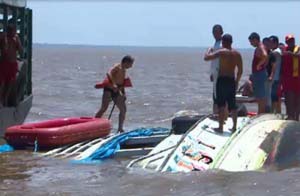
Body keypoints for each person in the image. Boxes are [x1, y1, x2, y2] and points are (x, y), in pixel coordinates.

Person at [204, 34, 243, 133]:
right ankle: (234, 127)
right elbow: (240, 70)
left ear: (224, 42)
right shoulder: (237, 54)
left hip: (222, 80)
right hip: (231, 80)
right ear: (232, 42)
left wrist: (209, 50)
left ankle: (220, 127)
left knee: (221, 104)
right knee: (232, 105)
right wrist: (237, 81)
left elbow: (206, 58)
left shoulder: (221, 52)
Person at [95, 55, 134, 133]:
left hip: (117, 91)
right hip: (109, 90)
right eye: (131, 64)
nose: (131, 66)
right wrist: (113, 84)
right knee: (104, 108)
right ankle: (94, 124)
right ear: (126, 62)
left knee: (123, 109)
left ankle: (120, 128)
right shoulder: (117, 66)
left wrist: (123, 94)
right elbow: (109, 73)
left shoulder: (124, 70)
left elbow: (121, 83)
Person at [0, 24, 23, 106]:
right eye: (10, 31)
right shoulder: (3, 37)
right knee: (2, 82)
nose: (12, 33)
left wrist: (17, 41)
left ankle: (5, 99)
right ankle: (1, 100)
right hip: (4, 63)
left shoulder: (16, 38)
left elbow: (20, 50)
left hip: (12, 64)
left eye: (13, 31)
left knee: (10, 82)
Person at [281, 34, 300, 120]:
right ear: (286, 42)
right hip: (287, 79)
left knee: (297, 99)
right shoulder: (283, 50)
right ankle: (290, 116)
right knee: (288, 99)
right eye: (289, 41)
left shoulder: (298, 49)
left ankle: (296, 117)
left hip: (297, 78)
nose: (291, 42)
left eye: (292, 40)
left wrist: (291, 54)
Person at [248, 32, 268, 114]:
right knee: (259, 97)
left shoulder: (260, 47)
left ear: (255, 40)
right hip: (258, 74)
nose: (251, 44)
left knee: (261, 97)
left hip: (260, 75)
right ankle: (260, 114)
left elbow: (265, 56)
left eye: (251, 42)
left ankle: (260, 115)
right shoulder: (260, 47)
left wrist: (259, 65)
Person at [209, 24, 223, 114]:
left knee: (219, 96)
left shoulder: (222, 44)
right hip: (215, 72)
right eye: (214, 32)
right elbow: (213, 61)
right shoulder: (215, 43)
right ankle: (215, 114)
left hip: (221, 73)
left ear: (221, 32)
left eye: (217, 32)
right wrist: (211, 73)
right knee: (215, 95)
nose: (215, 34)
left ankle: (219, 115)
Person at [269, 35, 282, 114]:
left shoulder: (276, 52)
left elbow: (271, 55)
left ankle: (274, 114)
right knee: (275, 99)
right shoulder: (277, 51)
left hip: (276, 78)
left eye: (271, 42)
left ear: (276, 43)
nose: (269, 44)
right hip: (276, 78)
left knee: (275, 99)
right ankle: (276, 114)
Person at [263, 37, 275, 112]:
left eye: (267, 44)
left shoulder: (271, 54)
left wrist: (271, 76)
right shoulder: (260, 52)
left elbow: (274, 66)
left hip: (268, 77)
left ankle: (269, 111)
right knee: (261, 96)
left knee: (268, 96)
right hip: (261, 77)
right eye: (265, 44)